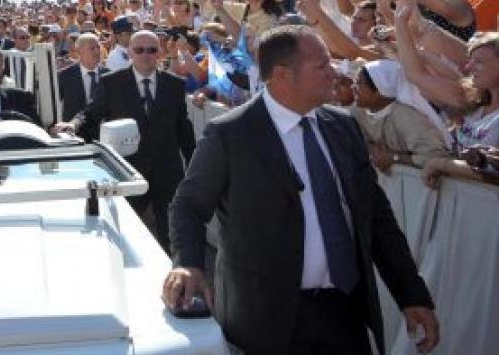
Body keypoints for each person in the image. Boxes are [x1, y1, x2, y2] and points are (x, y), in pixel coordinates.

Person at [165, 26, 439, 355]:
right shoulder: (231, 134)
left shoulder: (342, 126)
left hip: (345, 313)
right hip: (266, 320)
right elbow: (188, 206)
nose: (335, 71)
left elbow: (376, 217)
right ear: (282, 75)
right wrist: (188, 264)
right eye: (322, 65)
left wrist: (411, 295)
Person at [53, 30, 194, 246]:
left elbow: (183, 129)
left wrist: (194, 168)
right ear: (130, 52)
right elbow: (92, 112)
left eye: (151, 50)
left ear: (159, 53)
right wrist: (73, 124)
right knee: (124, 235)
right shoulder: (112, 82)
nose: (145, 54)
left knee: (172, 235)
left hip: (167, 172)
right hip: (127, 171)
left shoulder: (174, 84)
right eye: (139, 50)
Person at [351, 59, 449, 170]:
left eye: (359, 83)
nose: (353, 87)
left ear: (380, 88)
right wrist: (371, 148)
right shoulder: (356, 111)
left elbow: (434, 157)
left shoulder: (406, 116)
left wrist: (393, 158)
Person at [58, 32, 107, 124]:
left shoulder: (108, 75)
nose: (97, 51)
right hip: (73, 132)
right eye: (92, 48)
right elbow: (54, 105)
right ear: (79, 51)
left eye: (98, 47)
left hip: (103, 133)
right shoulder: (65, 76)